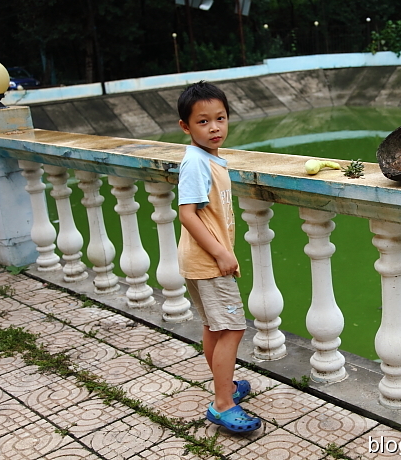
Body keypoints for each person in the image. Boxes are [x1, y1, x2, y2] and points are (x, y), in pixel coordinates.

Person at [176, 81, 261, 433]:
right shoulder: (196, 163)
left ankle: (223, 386)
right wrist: (222, 254)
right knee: (233, 328)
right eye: (203, 122)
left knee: (214, 326)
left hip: (197, 262)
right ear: (186, 126)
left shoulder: (206, 158)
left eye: (220, 119)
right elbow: (187, 213)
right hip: (209, 263)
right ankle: (222, 403)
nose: (214, 128)